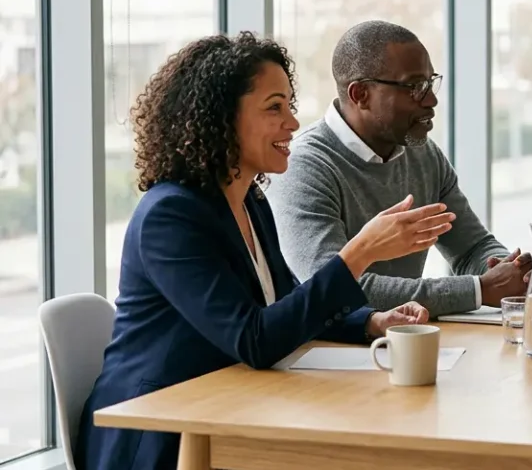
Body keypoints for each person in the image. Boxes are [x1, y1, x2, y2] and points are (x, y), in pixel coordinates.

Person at [77, 33, 450, 470]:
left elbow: (287, 303)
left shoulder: (249, 200)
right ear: (221, 119)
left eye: (290, 105)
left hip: (228, 406)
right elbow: (254, 339)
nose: (292, 122)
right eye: (274, 108)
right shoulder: (171, 216)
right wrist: (358, 254)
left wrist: (370, 322)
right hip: (159, 433)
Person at [266, 21, 530, 318]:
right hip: (325, 352)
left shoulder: (422, 153)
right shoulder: (303, 167)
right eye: (415, 87)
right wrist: (479, 289)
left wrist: (508, 270)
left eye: (431, 83)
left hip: (403, 341)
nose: (431, 100)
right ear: (360, 94)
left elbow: (470, 248)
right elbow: (334, 289)